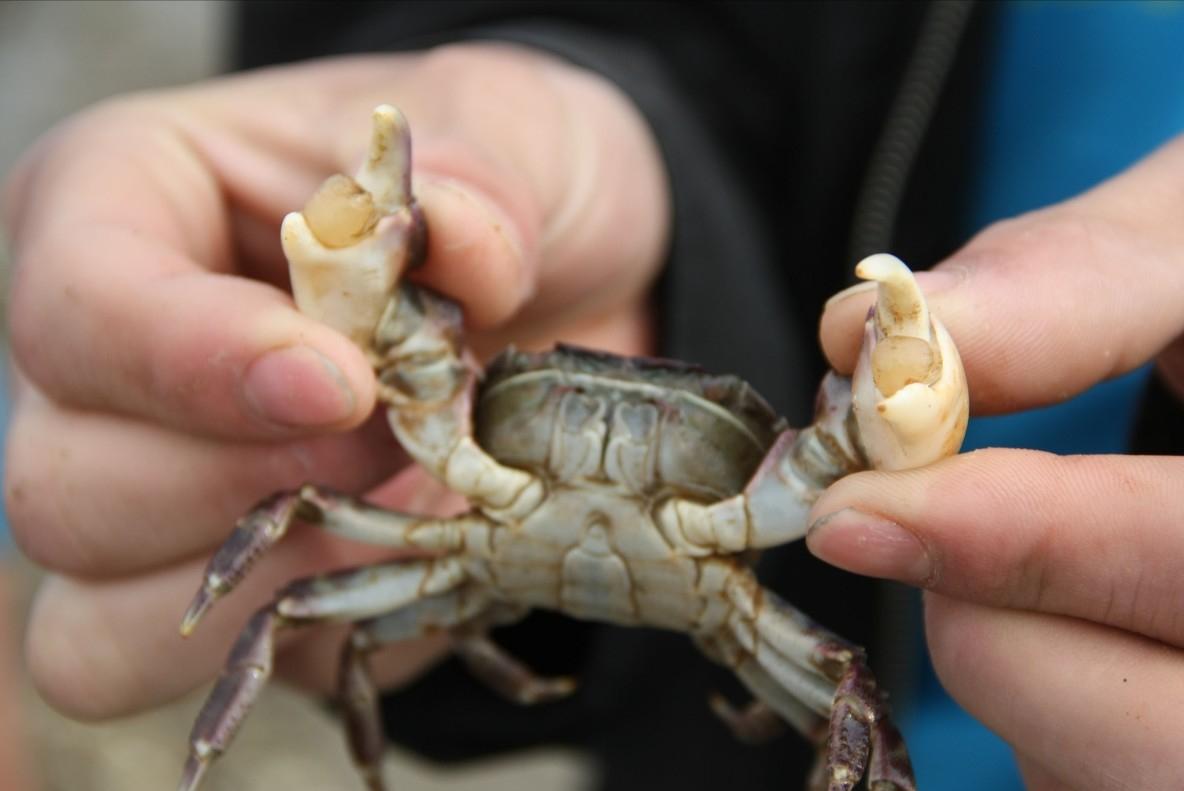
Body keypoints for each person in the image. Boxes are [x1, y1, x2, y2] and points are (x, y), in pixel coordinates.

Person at [3, 3, 1183, 789]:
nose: (615, 433)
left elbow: (840, 695)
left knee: (850, 719)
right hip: (653, 704)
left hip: (925, 654)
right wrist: (595, 114)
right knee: (293, 604)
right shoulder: (455, 427)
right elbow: (294, 564)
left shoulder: (780, 551)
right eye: (567, 395)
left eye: (671, 414)